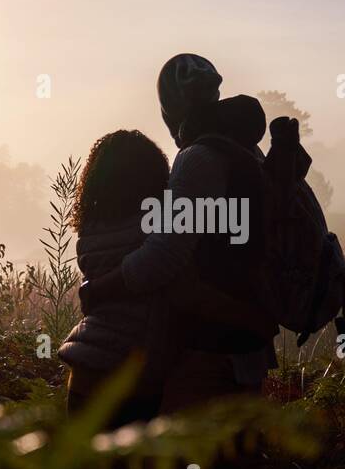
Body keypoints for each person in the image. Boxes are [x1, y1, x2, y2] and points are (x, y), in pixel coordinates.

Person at [80, 54, 280, 414]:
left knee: (188, 464)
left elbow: (164, 256)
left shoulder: (198, 159)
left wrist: (98, 289)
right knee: (235, 462)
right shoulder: (245, 153)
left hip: (211, 352)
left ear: (171, 106)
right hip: (243, 343)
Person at [58, 129, 276, 429]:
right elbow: (185, 292)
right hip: (128, 379)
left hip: (84, 368)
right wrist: (253, 320)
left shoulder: (90, 233)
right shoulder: (157, 236)